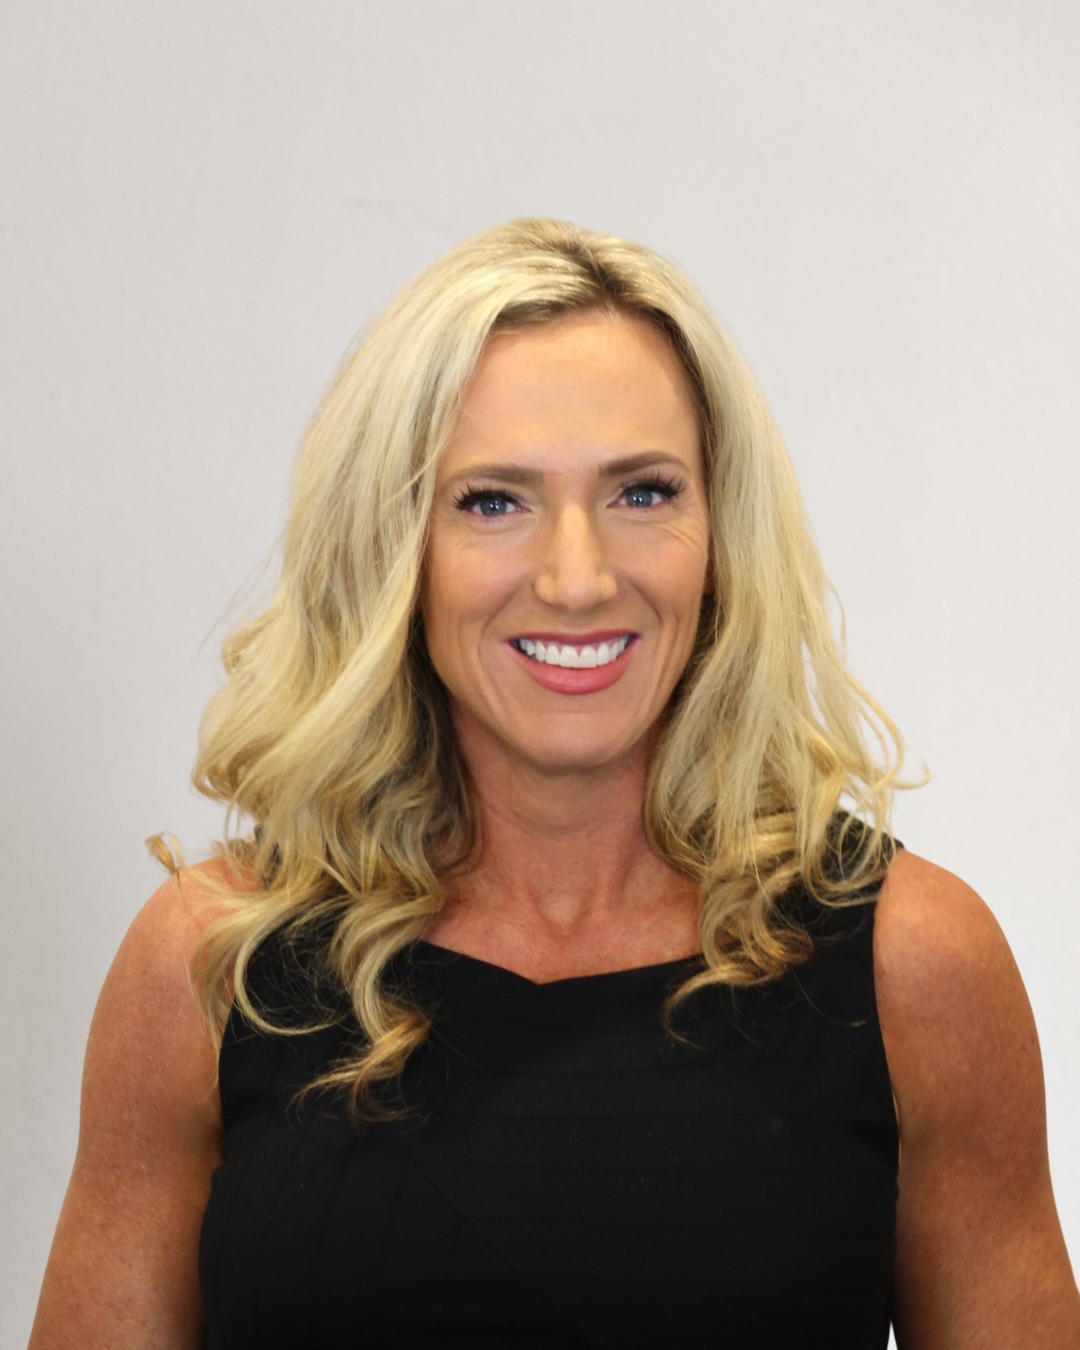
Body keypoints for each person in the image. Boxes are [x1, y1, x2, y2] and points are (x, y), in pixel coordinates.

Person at [30, 219, 1080, 1348]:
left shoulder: (917, 966)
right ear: (395, 547)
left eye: (642, 493)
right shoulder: (210, 966)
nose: (577, 579)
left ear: (720, 531)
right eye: (493, 500)